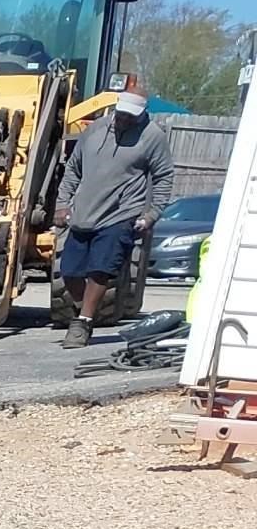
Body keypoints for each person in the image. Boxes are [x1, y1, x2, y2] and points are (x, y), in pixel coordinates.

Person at [55, 88, 174, 348]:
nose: (124, 120)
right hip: (84, 213)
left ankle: (83, 323)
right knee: (70, 271)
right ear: (115, 108)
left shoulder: (152, 136)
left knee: (100, 270)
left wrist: (151, 214)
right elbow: (73, 169)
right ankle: (83, 310)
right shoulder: (96, 129)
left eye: (131, 116)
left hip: (121, 214)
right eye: (121, 114)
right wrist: (62, 204)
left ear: (142, 113)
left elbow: (164, 177)